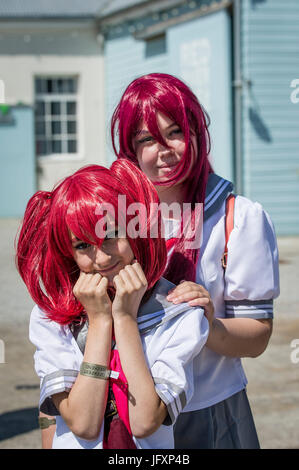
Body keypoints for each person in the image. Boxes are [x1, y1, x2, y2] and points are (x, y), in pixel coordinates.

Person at [111, 73, 280, 448]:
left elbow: (257, 338)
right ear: (130, 149)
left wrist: (207, 324)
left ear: (195, 135)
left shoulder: (239, 217)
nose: (164, 149)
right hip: (127, 411)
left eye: (174, 132)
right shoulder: (113, 218)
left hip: (211, 412)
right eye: (146, 139)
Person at [15, 159, 210, 449]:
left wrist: (126, 320)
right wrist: (100, 322)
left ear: (136, 230)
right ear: (67, 254)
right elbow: (83, 424)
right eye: (82, 245)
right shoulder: (50, 318)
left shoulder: (179, 314)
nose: (103, 258)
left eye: (111, 234)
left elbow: (144, 422)